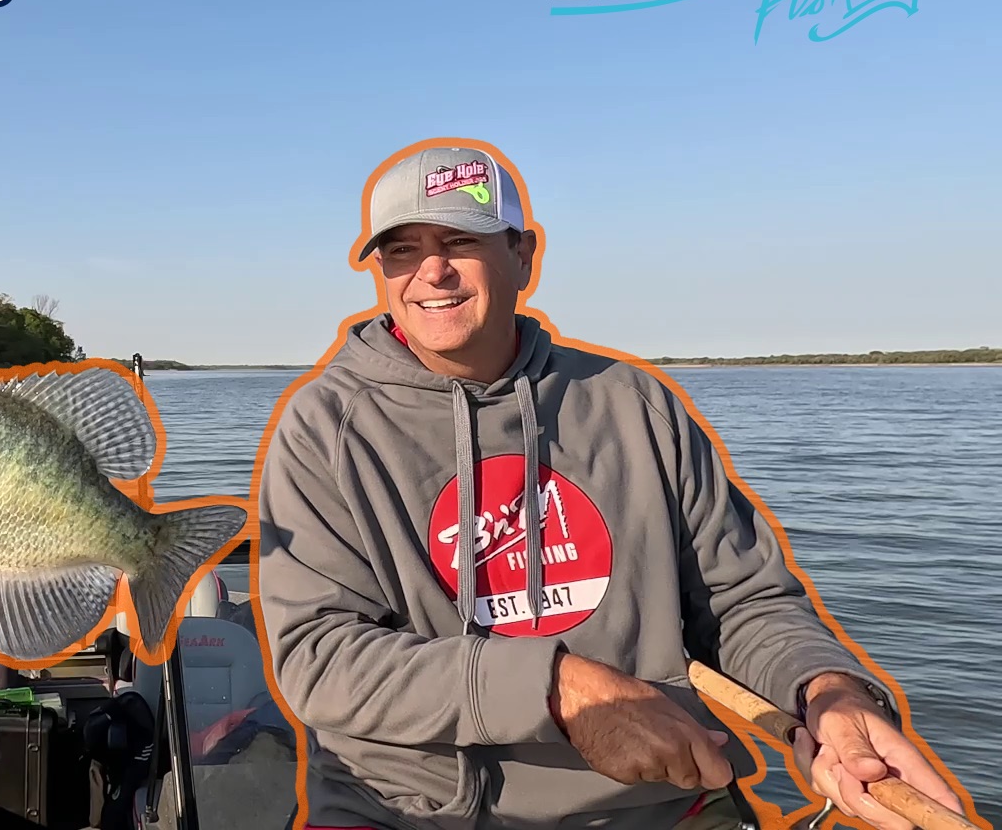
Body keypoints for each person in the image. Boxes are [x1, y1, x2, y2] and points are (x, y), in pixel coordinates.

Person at [254, 142, 969, 830]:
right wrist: (558, 687)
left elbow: (741, 601)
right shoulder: (324, 427)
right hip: (408, 811)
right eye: (402, 250)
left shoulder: (635, 403)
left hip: (657, 801)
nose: (431, 272)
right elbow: (319, 659)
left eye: (460, 242)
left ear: (523, 255)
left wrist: (826, 693)